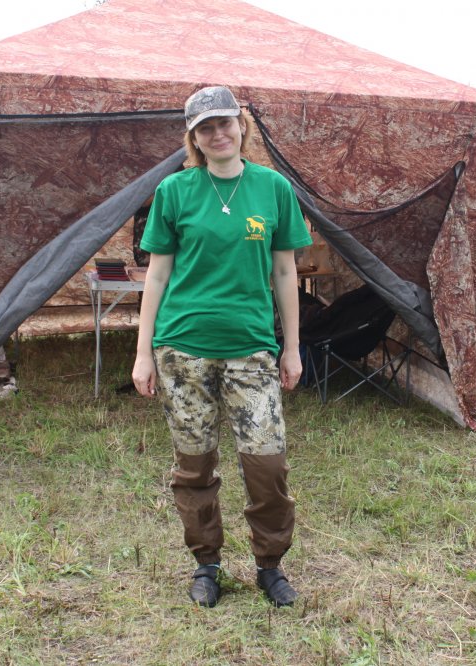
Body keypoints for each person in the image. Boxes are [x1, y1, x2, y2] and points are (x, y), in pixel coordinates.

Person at [132, 86, 311, 608]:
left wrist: (292, 347)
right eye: (205, 128)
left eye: (225, 123)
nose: (218, 134)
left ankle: (270, 566)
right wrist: (143, 353)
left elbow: (285, 272)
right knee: (194, 466)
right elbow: (156, 276)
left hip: (251, 349)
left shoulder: (273, 188)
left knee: (267, 465)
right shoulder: (175, 191)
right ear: (193, 137)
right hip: (181, 349)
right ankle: (206, 564)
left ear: (242, 126)